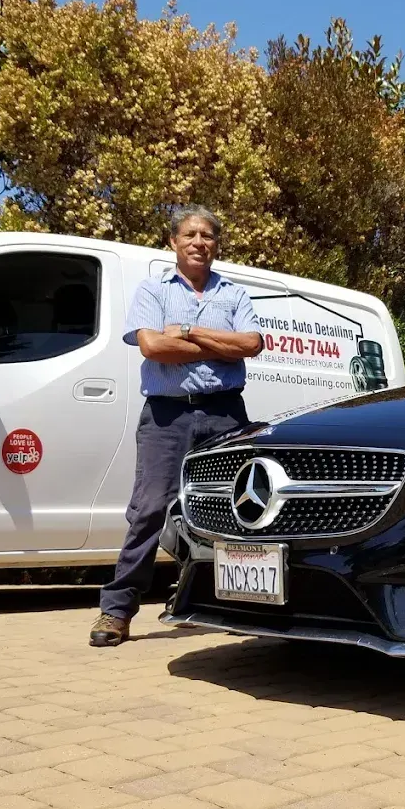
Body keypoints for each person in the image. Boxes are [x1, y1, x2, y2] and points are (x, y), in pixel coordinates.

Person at [89, 205, 263, 647]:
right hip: (167, 416)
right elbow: (152, 346)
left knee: (237, 510)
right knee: (148, 510)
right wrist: (218, 345)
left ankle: (242, 605)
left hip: (226, 413)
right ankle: (116, 611)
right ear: (173, 242)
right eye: (190, 235)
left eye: (207, 235)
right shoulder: (153, 290)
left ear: (216, 245)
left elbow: (251, 344)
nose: (199, 242)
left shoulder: (234, 295)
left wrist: (188, 331)